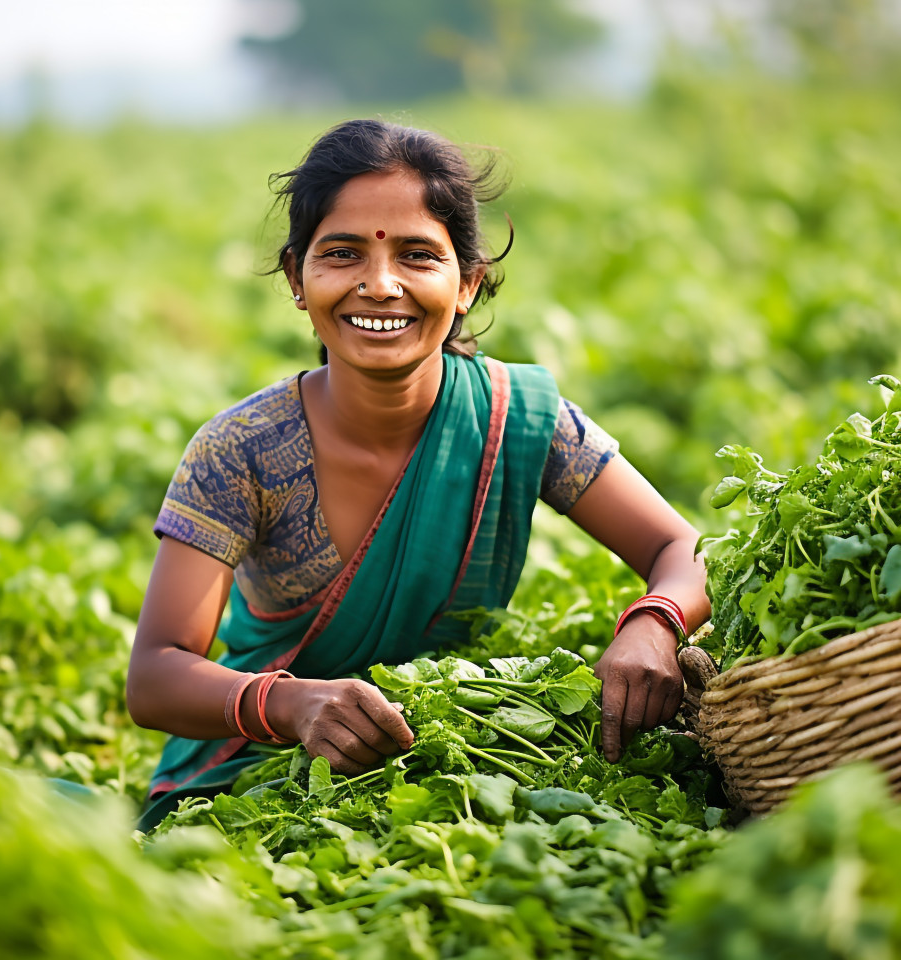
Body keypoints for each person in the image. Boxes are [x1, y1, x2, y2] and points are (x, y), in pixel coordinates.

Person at [126, 119, 710, 829]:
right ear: (296, 279)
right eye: (341, 254)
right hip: (258, 777)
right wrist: (291, 703)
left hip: (461, 761)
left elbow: (681, 551)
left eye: (417, 256)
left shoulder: (515, 418)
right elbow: (156, 674)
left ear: (467, 283)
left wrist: (654, 621)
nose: (379, 285)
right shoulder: (240, 450)